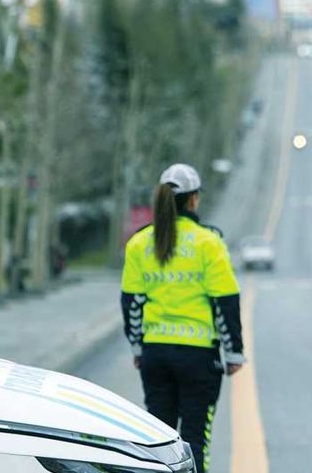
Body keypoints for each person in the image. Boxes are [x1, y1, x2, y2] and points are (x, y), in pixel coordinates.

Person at [120, 163, 245, 473]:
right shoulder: (208, 242)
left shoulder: (139, 243)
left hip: (155, 355)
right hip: (199, 358)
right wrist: (233, 353)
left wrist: (138, 348)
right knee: (194, 440)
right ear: (193, 199)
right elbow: (225, 301)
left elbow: (132, 303)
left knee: (158, 443)